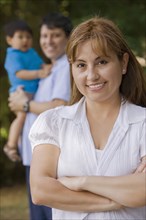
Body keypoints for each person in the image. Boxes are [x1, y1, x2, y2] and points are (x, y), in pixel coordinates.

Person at [29, 16, 146, 220]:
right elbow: (40, 191)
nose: (91, 76)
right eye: (81, 65)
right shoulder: (52, 123)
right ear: (72, 69)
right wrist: (115, 200)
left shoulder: (143, 123)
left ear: (124, 62)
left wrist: (81, 182)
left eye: (101, 62)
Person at [8, 13, 73, 220]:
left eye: (55, 35)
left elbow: (59, 106)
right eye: (45, 36)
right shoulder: (46, 70)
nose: (48, 41)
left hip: (50, 160)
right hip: (32, 156)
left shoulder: (67, 66)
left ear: (68, 38)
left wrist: (25, 104)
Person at [3, 20, 52, 162]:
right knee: (21, 117)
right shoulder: (13, 55)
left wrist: (47, 67)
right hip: (20, 92)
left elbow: (40, 64)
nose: (25, 40)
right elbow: (19, 73)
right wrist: (39, 73)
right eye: (20, 37)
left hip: (31, 93)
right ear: (9, 40)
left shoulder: (31, 52)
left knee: (26, 122)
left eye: (28, 37)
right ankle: (10, 145)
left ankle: (19, 142)